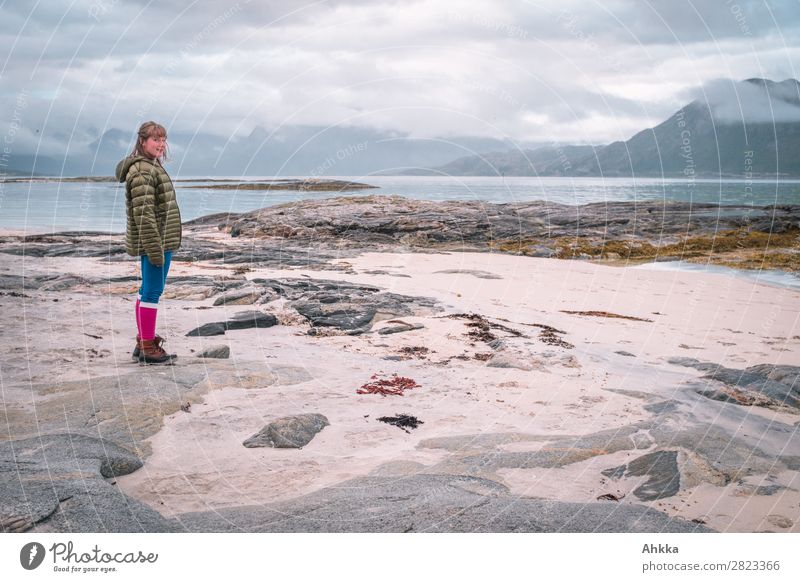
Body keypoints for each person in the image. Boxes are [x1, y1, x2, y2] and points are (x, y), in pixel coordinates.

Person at [115, 121, 182, 364]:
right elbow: (144, 216)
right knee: (152, 292)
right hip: (157, 242)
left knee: (147, 291)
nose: (161, 144)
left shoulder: (151, 166)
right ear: (143, 142)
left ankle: (144, 340)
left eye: (163, 140)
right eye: (156, 140)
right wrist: (155, 250)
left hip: (161, 240)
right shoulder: (143, 171)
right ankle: (147, 347)